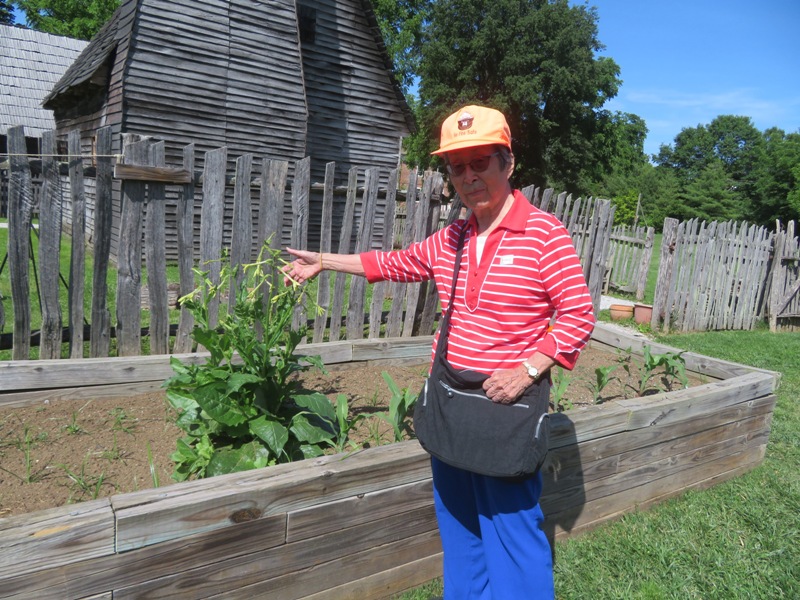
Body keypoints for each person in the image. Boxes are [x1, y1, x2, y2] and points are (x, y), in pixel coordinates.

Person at [283, 105, 595, 599]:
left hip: (506, 412)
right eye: (457, 166)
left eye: (479, 162)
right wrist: (322, 261)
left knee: (513, 535)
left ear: (507, 163)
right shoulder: (453, 237)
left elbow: (578, 316)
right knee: (461, 530)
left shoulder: (544, 235)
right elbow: (395, 262)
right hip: (451, 404)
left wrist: (527, 370)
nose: (468, 176)